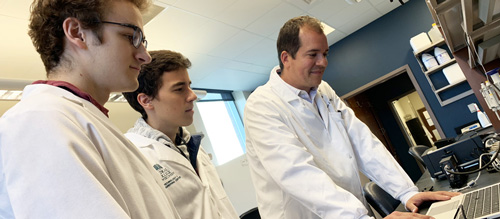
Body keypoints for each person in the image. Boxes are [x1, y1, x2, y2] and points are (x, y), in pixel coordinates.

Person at [243, 15, 459, 219]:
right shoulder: (262, 105)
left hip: (349, 211)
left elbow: (363, 142)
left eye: (325, 54)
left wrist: (406, 192)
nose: (323, 62)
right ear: (286, 58)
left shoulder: (323, 90)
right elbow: (297, 173)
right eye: (313, 54)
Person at [0, 0, 180, 218]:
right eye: (130, 36)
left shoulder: (79, 117)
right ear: (78, 33)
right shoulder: (38, 121)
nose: (145, 55)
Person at [122, 50, 239, 219]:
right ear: (146, 101)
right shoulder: (135, 156)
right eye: (179, 89)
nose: (192, 96)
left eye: (189, 86)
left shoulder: (190, 145)